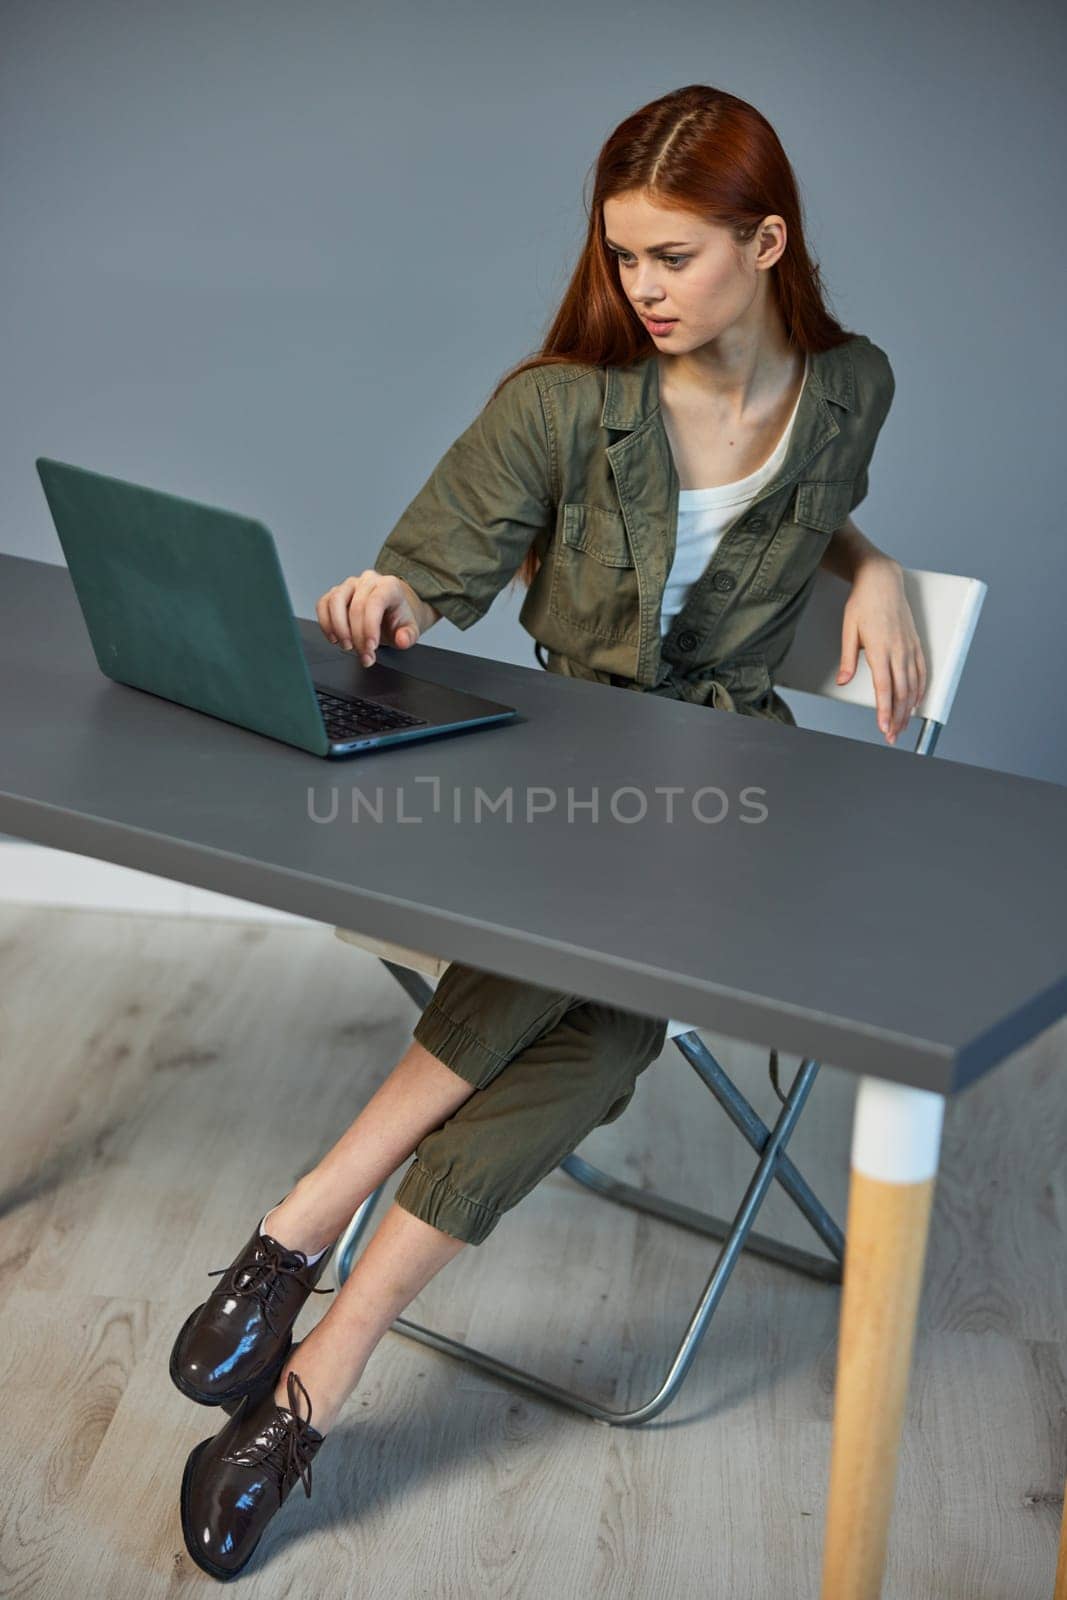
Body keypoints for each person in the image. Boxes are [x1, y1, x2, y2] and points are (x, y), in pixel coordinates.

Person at [174, 82, 926, 1580]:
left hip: (737, 805)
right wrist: (389, 595)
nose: (641, 289)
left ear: (766, 241)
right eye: (624, 255)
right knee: (600, 1010)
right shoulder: (565, 403)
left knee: (599, 963)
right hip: (568, 784)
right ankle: (323, 1347)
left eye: (675, 256)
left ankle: (303, 1255)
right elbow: (434, 559)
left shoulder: (856, 390)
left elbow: (807, 488)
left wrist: (876, 561)